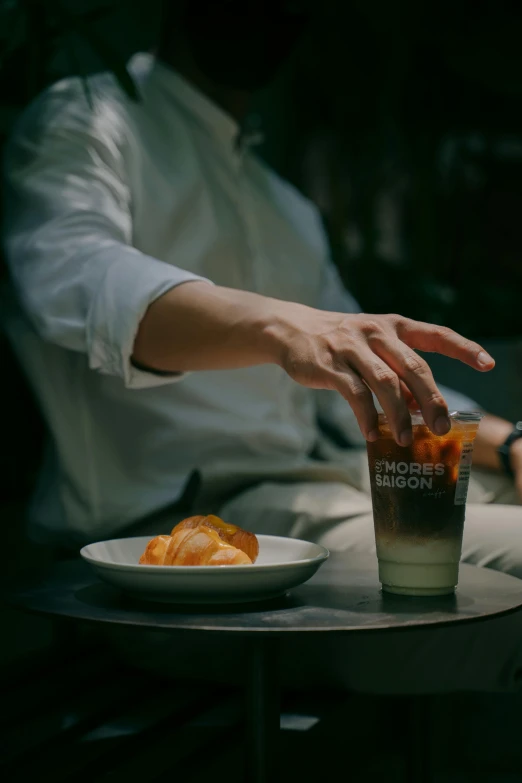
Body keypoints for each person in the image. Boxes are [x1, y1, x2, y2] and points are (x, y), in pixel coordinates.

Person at [2, 0, 522, 696]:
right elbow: (79, 281)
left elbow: (366, 378)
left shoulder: (287, 208)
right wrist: (283, 328)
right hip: (162, 555)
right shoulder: (89, 120)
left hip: (315, 494)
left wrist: (512, 443)